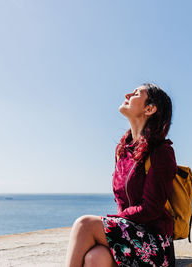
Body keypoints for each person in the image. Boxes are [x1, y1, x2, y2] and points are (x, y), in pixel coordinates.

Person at [65, 83, 177, 267]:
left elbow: (151, 208)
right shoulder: (123, 151)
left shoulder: (161, 151)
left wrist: (114, 220)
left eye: (135, 93)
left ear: (149, 108)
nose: (127, 94)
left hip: (155, 244)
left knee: (84, 224)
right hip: (130, 235)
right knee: (95, 258)